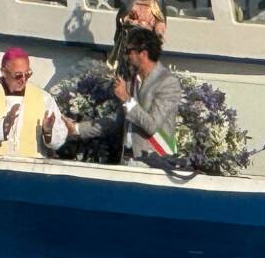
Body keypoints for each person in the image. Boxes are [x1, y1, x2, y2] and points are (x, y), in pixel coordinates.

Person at [65, 28, 182, 162]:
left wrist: (126, 98)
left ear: (143, 54)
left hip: (157, 164)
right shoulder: (131, 82)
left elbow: (152, 126)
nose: (126, 56)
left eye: (128, 51)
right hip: (128, 160)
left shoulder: (168, 83)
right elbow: (117, 123)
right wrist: (77, 129)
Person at [0, 47, 66, 156]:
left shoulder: (44, 98)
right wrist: (3, 126)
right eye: (18, 75)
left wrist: (48, 132)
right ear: (4, 72)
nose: (23, 79)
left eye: (28, 74)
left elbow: (60, 137)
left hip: (30, 166)